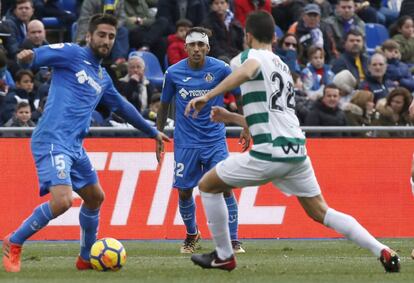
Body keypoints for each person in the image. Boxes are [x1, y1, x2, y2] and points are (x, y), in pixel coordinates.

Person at [184, 10, 400, 273]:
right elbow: (270, 114)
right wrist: (231, 116)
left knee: (207, 185)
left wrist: (209, 96)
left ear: (248, 36)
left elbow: (248, 69)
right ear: (273, 37)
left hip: (270, 153)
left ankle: (224, 255)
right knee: (321, 212)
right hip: (297, 151)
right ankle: (382, 250)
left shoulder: (248, 57)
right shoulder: (283, 66)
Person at [2, 13, 170, 273]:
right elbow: (37, 55)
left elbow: (123, 107)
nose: (106, 40)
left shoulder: (102, 77)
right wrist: (28, 56)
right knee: (63, 201)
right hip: (52, 139)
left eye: (111, 36)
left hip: (74, 146)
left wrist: (152, 132)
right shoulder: (71, 53)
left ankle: (85, 258)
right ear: (89, 35)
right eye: (101, 35)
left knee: (95, 198)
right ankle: (14, 241)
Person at [157, 26, 248, 254]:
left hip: (215, 140)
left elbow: (239, 95)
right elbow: (164, 105)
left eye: (201, 45)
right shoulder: (173, 73)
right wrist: (157, 134)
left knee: (225, 187)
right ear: (186, 47)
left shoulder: (221, 69)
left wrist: (246, 124)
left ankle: (234, 240)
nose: (197, 49)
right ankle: (191, 234)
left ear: (207, 47)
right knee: (185, 191)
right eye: (192, 45)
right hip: (185, 142)